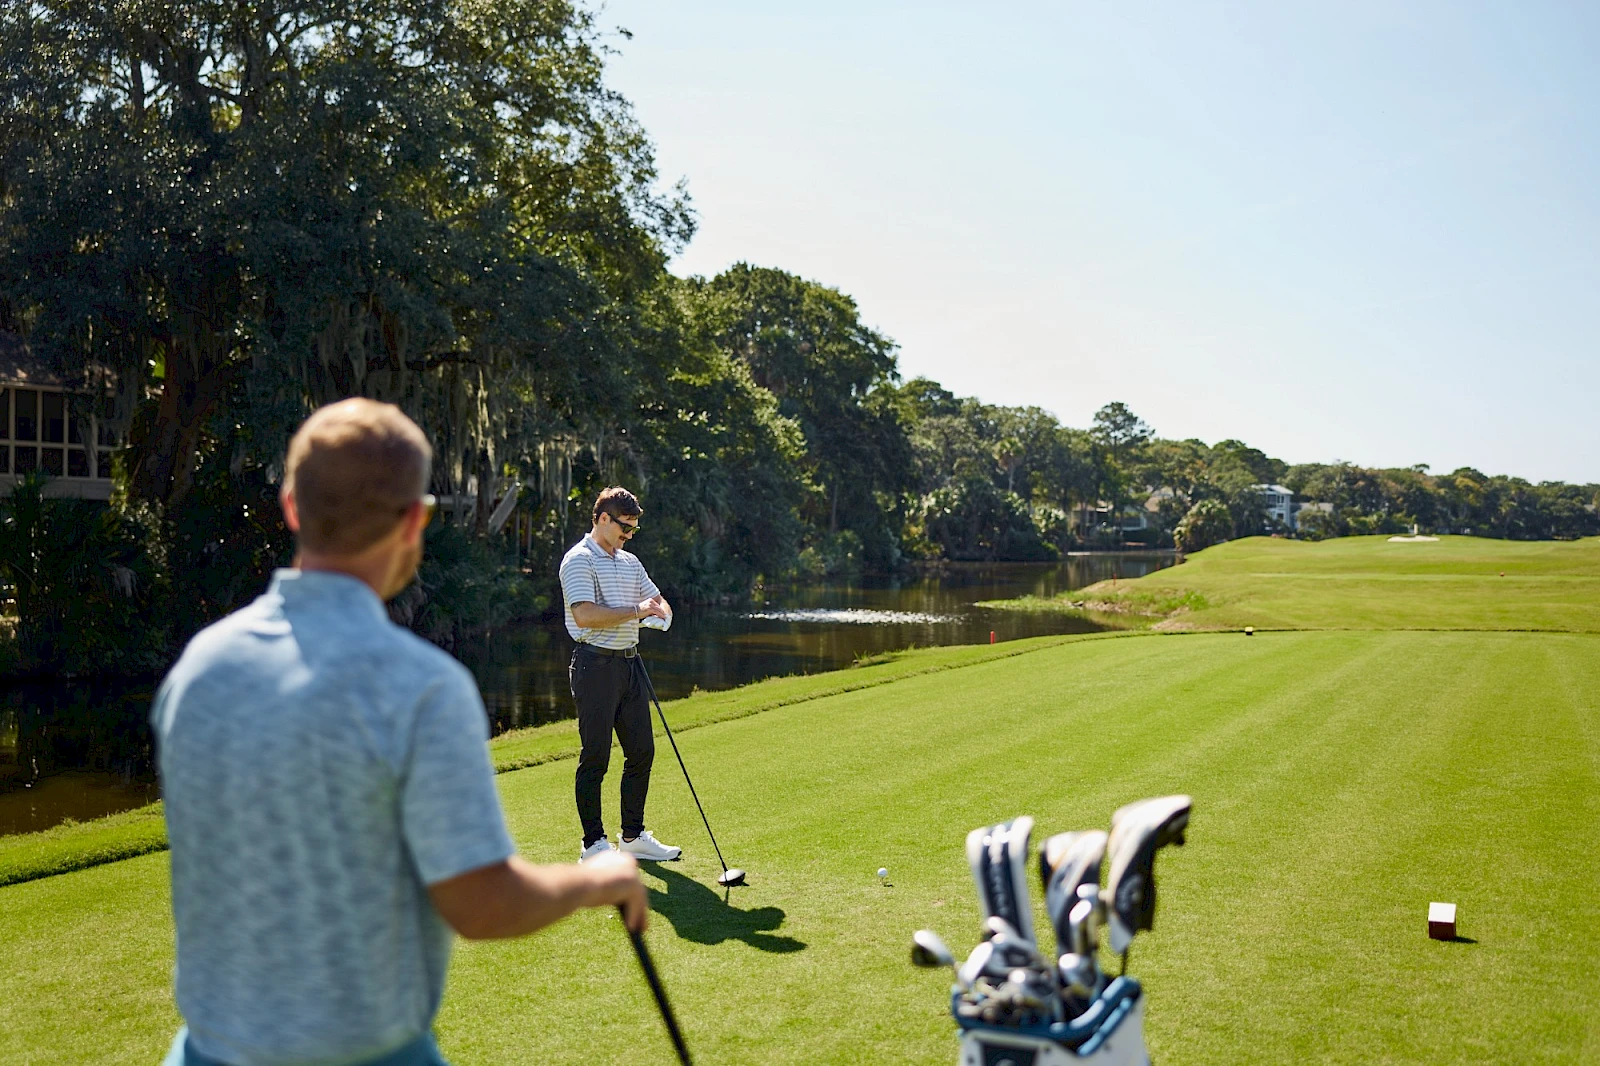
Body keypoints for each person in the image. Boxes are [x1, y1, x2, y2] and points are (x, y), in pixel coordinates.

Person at [151, 399, 647, 1066]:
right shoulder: (422, 687)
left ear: (292, 508)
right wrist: (602, 879)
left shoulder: (198, 669)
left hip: (204, 1052)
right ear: (415, 521)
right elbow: (482, 905)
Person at [559, 487, 680, 864]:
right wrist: (638, 611)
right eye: (624, 527)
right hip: (594, 666)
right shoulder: (578, 560)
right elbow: (585, 616)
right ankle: (593, 844)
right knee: (596, 756)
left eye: (633, 529)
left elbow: (657, 601)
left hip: (629, 664)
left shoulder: (629, 561)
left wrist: (660, 615)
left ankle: (632, 836)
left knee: (642, 750)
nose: (628, 535)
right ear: (603, 519)